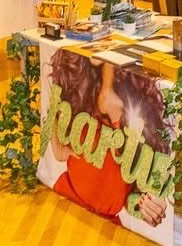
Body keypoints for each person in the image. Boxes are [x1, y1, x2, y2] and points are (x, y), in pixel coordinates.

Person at [37, 49, 168, 227]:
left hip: (106, 226)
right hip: (64, 201)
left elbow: (133, 195)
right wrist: (57, 148)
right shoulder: (75, 81)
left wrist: (148, 207)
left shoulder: (138, 104)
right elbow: (51, 110)